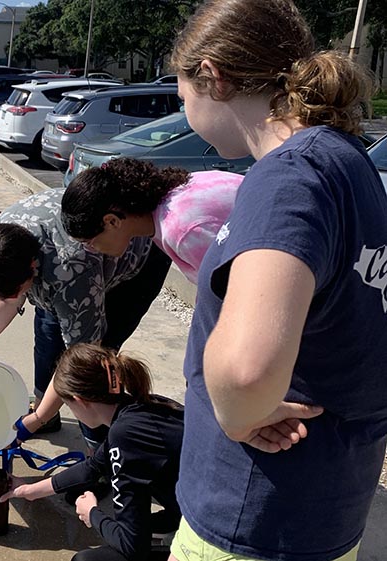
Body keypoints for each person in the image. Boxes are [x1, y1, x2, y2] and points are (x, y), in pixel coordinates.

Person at [166, 1, 387, 560]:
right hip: (325, 507)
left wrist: (235, 415)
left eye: (182, 96)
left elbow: (245, 371)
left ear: (211, 77)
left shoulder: (287, 177)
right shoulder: (349, 162)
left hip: (250, 519)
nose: (185, 111)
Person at [0, 189, 172, 450]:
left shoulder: (71, 272)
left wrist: (34, 420)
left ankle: (99, 443)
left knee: (94, 366)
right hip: (68, 262)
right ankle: (48, 412)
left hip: (135, 265)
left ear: (32, 269)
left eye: (17, 292)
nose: (12, 298)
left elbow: (81, 357)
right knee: (47, 337)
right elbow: (5, 301)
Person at [0, 343, 184, 561]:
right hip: (214, 503)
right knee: (142, 524)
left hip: (221, 535)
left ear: (80, 401)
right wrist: (30, 490)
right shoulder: (144, 406)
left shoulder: (126, 437)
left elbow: (132, 546)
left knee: (85, 560)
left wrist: (93, 514)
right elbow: (92, 468)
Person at [61, 158, 244, 284]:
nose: (92, 251)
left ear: (112, 222)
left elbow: (242, 291)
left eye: (89, 243)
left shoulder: (181, 230)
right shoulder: (171, 201)